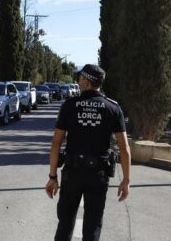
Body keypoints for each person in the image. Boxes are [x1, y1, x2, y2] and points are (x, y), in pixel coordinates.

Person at [45, 64, 131, 241]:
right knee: (92, 227)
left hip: (72, 173)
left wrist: (52, 176)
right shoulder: (113, 108)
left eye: (79, 78)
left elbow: (56, 143)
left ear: (86, 81)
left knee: (65, 224)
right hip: (97, 176)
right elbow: (124, 147)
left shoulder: (70, 106)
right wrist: (126, 181)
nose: (78, 82)